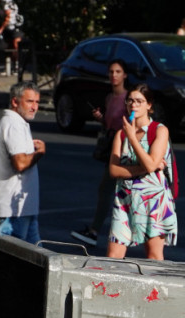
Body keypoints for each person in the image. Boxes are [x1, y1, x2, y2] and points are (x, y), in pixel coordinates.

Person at [0, 81, 46, 318]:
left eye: (37, 101)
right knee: (7, 255)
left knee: (34, 256)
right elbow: (21, 163)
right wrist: (38, 154)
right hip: (13, 207)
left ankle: (25, 303)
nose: (35, 106)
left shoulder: (18, 123)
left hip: (23, 205)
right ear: (15, 101)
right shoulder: (13, 124)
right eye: (30, 101)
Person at [106, 84, 177, 261]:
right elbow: (114, 170)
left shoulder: (159, 130)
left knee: (153, 256)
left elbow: (151, 165)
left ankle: (156, 290)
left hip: (153, 201)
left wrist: (133, 139)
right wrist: (142, 168)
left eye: (139, 101)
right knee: (113, 257)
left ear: (149, 105)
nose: (134, 105)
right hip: (124, 199)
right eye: (130, 100)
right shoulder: (121, 135)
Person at [70, 59, 129, 247]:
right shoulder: (110, 98)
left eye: (118, 72)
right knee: (113, 191)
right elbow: (110, 124)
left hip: (123, 150)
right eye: (111, 72)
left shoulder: (129, 99)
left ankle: (95, 232)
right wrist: (101, 119)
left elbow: (129, 126)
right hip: (112, 146)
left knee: (107, 190)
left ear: (124, 75)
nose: (113, 75)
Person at [0, 0, 24, 69]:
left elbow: (8, 16)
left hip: (15, 25)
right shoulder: (0, 4)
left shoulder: (6, 3)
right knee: (8, 46)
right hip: (8, 27)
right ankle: (10, 65)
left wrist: (1, 29)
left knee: (16, 44)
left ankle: (17, 64)